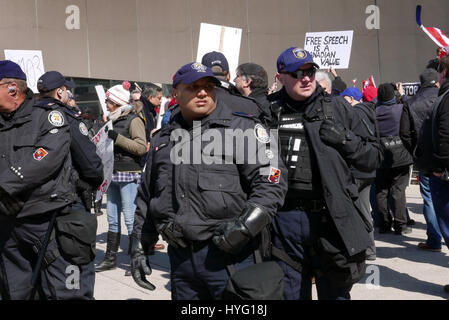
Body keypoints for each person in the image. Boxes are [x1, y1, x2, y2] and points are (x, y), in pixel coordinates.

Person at [130, 62, 288, 299]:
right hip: (182, 262)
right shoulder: (164, 139)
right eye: (193, 87)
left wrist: (245, 227)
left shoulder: (243, 129)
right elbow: (147, 196)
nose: (202, 92)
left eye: (208, 86)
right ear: (176, 93)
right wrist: (140, 245)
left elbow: (272, 180)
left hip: (231, 258)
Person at [266, 47, 382, 300]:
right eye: (296, 73)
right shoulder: (267, 111)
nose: (305, 78)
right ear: (281, 77)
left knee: (336, 291)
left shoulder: (339, 108)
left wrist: (346, 140)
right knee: (290, 294)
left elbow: (374, 157)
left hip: (331, 217)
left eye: (309, 71)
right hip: (284, 220)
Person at [0, 61, 86, 299]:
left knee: (66, 293)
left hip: (47, 223)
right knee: (16, 293)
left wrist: (4, 187)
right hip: (8, 226)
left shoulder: (48, 117)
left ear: (12, 89)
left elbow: (44, 158)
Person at [36, 70, 104, 298]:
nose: (70, 93)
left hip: (32, 212)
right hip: (68, 209)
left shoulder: (28, 115)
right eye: (68, 89)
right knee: (73, 282)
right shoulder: (65, 118)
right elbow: (92, 166)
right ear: (60, 92)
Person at [95, 82, 147, 275]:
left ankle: (136, 261)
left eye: (108, 101)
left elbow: (141, 147)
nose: (106, 104)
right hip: (112, 173)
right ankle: (110, 259)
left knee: (130, 217)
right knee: (112, 218)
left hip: (129, 173)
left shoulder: (134, 120)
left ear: (116, 102)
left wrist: (117, 138)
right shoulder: (111, 119)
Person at [400, 68, 443, 251]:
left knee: (429, 199)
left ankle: (434, 240)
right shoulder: (444, 97)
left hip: (426, 159)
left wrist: (416, 151)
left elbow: (404, 134)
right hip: (443, 157)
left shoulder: (411, 102)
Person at [375, 83, 413, 235]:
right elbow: (410, 106)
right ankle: (400, 224)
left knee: (381, 191)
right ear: (393, 95)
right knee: (398, 191)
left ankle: (384, 224)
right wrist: (402, 95)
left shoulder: (374, 111)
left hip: (381, 155)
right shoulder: (400, 108)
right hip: (401, 155)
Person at [428, 53, 449, 293]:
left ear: (443, 74)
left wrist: (440, 168)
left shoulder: (446, 97)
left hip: (444, 175)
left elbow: (444, 136)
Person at [201, 51, 263, 116]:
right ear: (229, 75)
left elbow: (196, 125)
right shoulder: (250, 105)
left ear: (202, 76)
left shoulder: (197, 105)